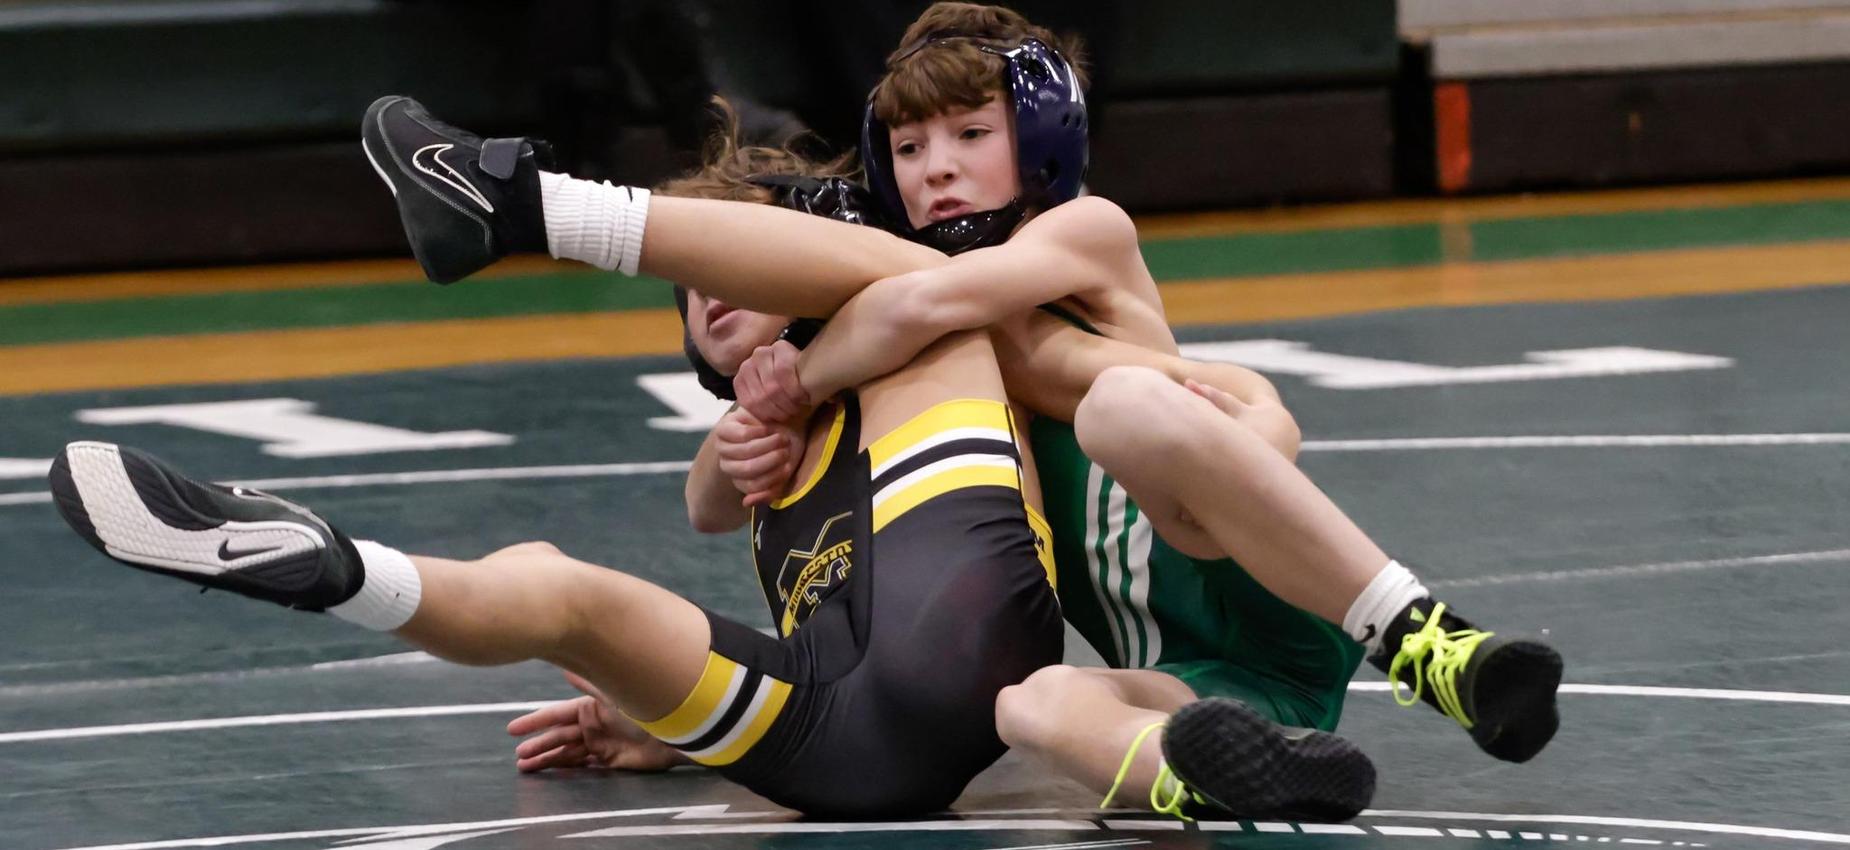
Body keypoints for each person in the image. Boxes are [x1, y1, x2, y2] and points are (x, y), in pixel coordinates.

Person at [356, 0, 1559, 805]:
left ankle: (1428, 641)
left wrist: (801, 376)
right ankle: (1208, 776)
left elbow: (919, 302)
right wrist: (673, 728)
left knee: (1120, 413)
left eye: (968, 137)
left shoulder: (1077, 233)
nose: (934, 170)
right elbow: (716, 508)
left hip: (1248, 559)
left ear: (1036, 139)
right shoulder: (930, 368)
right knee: (1029, 703)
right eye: (912, 150)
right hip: (1200, 672)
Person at [45, 160, 1066, 818]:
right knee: (552, 587)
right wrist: (668, 729)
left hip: (955, 656)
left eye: (732, 258)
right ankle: (341, 569)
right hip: (842, 742)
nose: (706, 287)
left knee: (920, 304)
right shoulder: (749, 444)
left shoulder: (917, 335)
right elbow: (708, 499)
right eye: (689, 283)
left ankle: (522, 197)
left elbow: (899, 287)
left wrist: (783, 388)